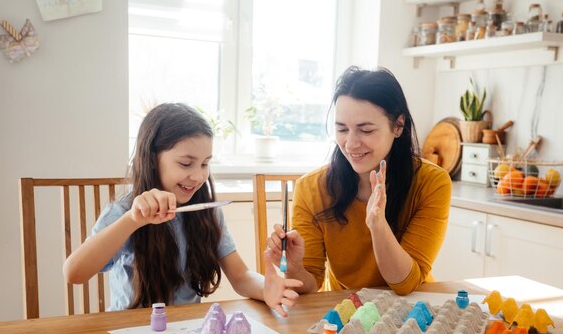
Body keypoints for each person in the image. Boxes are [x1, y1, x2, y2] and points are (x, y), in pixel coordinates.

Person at [64, 103, 302, 316]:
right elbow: (74, 273)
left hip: (186, 333)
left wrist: (266, 288)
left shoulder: (206, 211)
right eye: (186, 163)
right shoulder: (125, 211)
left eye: (205, 164)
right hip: (130, 332)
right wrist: (132, 221)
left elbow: (240, 276)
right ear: (152, 158)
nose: (198, 176)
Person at [266, 66, 451, 295]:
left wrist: (377, 225)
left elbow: (405, 284)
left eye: (365, 130)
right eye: (342, 129)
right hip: (346, 311)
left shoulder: (432, 183)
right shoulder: (311, 188)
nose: (351, 144)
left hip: (412, 311)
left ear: (398, 125)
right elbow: (310, 286)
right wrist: (294, 267)